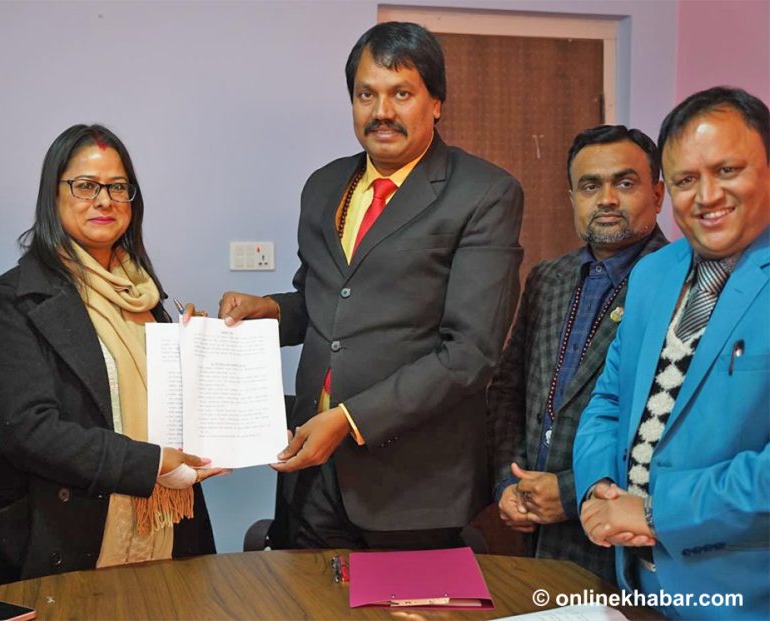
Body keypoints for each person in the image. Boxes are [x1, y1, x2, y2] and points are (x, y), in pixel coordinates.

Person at [218, 22, 524, 549]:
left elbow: (470, 353)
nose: (381, 111)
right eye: (367, 95)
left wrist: (349, 419)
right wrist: (266, 308)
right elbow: (324, 303)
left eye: (401, 93)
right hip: (310, 473)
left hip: (414, 486)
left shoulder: (484, 194)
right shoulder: (323, 186)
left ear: (436, 103)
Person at [0, 124, 218, 583]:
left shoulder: (147, 298)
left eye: (118, 187)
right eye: (85, 186)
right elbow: (28, 431)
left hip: (166, 536)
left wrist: (201, 361)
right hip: (66, 540)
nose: (104, 200)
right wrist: (148, 464)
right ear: (54, 194)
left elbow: (173, 415)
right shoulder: (9, 301)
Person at [574, 87, 770, 619]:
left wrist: (660, 513)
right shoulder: (653, 273)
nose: (706, 196)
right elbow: (609, 399)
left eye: (727, 170)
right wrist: (597, 487)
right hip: (637, 586)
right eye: (685, 180)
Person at [489, 125, 668, 581]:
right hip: (532, 540)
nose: (606, 198)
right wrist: (509, 484)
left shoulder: (680, 285)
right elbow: (509, 390)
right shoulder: (548, 278)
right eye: (590, 186)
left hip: (620, 540)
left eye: (624, 183)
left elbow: (669, 428)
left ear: (659, 193)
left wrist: (569, 494)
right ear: (572, 198)